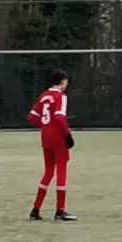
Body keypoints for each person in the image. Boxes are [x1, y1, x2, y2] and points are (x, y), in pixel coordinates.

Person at [27, 69, 77, 222]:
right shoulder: (61, 96)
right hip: (58, 139)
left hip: (46, 138)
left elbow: (32, 117)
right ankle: (60, 210)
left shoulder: (44, 96)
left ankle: (35, 209)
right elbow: (59, 118)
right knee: (61, 172)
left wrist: (45, 126)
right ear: (63, 81)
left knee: (48, 173)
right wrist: (67, 135)